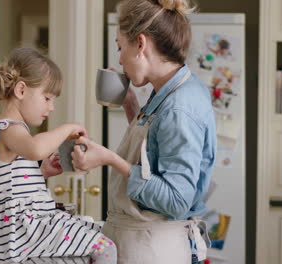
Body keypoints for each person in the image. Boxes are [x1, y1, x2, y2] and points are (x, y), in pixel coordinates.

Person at [71, 0, 216, 263]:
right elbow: (156, 153)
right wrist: (130, 105)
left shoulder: (178, 107)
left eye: (119, 46)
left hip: (153, 249)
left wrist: (109, 159)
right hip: (142, 244)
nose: (119, 58)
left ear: (140, 43)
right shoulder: (170, 91)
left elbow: (175, 200)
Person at [0, 47, 116, 264]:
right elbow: (35, 149)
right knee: (106, 247)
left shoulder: (13, 132)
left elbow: (11, 182)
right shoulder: (8, 128)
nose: (51, 107)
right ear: (21, 90)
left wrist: (42, 172)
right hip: (20, 231)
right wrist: (68, 128)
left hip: (18, 233)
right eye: (47, 98)